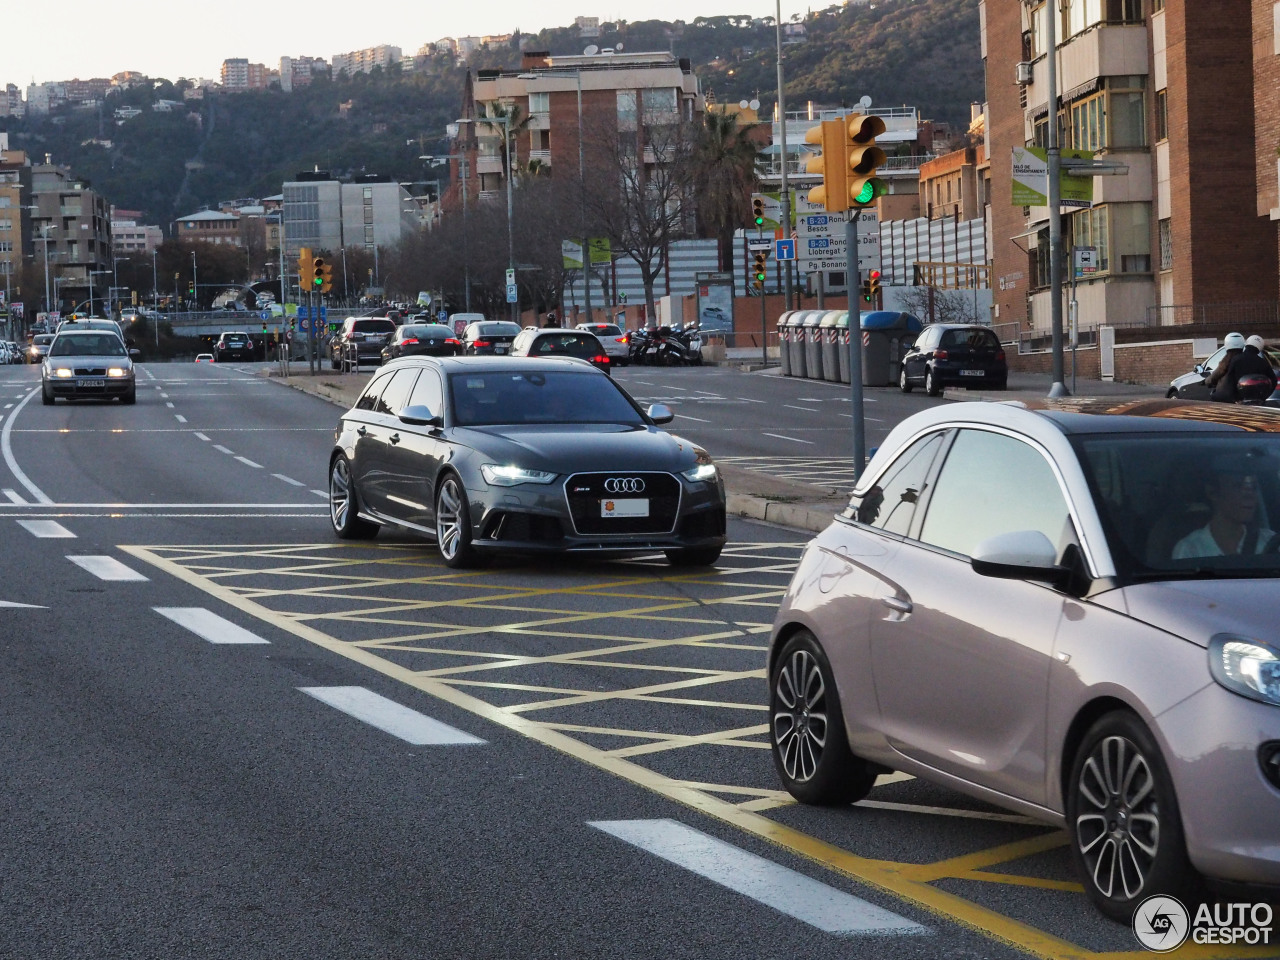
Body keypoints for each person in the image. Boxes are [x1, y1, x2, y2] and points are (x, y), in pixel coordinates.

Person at [1172, 467, 1275, 559]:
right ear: (1212, 493)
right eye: (1238, 486)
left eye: (1254, 487)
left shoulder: (1271, 543)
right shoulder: (1190, 549)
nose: (1249, 495)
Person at [1220, 334, 1277, 403]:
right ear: (1259, 347)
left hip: (1239, 400)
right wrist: (1264, 396)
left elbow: (1229, 380)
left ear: (1246, 344)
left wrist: (1235, 398)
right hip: (1258, 399)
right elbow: (1273, 380)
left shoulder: (1235, 360)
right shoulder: (1262, 362)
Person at [1207, 332, 1246, 400]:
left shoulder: (1226, 362)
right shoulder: (1246, 359)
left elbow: (1214, 376)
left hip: (1228, 397)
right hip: (1243, 395)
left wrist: (1206, 381)